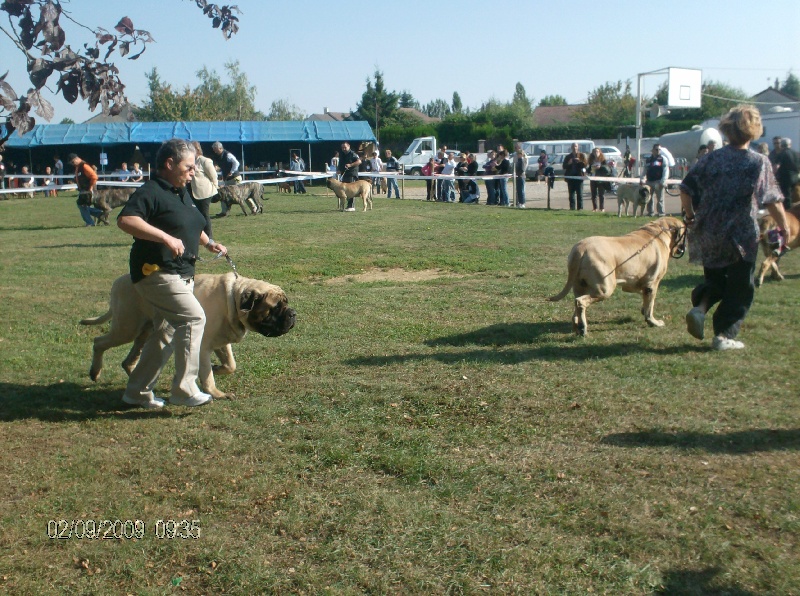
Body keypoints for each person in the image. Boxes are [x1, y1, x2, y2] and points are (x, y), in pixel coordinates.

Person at [117, 138, 228, 408]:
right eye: (189, 167)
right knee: (193, 318)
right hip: (156, 272)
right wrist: (165, 238)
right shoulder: (151, 191)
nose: (193, 172)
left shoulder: (181, 191)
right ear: (169, 163)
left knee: (165, 333)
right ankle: (184, 388)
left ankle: (136, 392)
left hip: (182, 273)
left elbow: (190, 222)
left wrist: (207, 242)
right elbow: (125, 220)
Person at [680, 105, 789, 351]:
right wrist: (784, 226)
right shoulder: (757, 161)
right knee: (741, 287)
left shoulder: (710, 158)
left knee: (716, 279)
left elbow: (685, 189)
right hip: (740, 235)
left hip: (709, 231)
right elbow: (771, 199)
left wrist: (690, 216)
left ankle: (700, 309)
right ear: (754, 131)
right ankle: (724, 335)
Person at [189, 141, 218, 240]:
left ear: (196, 150)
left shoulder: (205, 161)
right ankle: (199, 235)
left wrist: (214, 187)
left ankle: (209, 237)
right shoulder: (190, 161)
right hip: (192, 192)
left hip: (205, 192)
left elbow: (214, 176)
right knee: (195, 214)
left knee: (204, 214)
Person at [68, 152, 104, 226]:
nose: (72, 164)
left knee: (81, 205)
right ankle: (100, 213)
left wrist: (90, 187)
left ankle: (90, 222)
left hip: (87, 190)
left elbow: (94, 177)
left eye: (72, 162)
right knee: (82, 205)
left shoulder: (84, 166)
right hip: (83, 190)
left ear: (76, 159)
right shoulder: (78, 167)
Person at [211, 141, 241, 217]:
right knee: (223, 196)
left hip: (235, 177)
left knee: (242, 194)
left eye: (215, 149)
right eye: (214, 149)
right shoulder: (218, 156)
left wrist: (231, 171)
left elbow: (236, 163)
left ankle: (254, 208)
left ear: (220, 148)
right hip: (227, 179)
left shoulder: (228, 155)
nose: (214, 151)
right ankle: (224, 212)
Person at [644, 143, 669, 216]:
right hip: (649, 181)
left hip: (658, 181)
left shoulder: (663, 159)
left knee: (660, 199)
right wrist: (642, 179)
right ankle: (650, 212)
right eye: (656, 149)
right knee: (649, 198)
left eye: (659, 149)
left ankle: (661, 213)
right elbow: (645, 170)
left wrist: (663, 181)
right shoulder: (648, 160)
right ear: (652, 150)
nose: (658, 151)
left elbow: (666, 170)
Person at [774, 138, 800, 209]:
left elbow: (776, 166)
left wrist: (772, 175)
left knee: (786, 197)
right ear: (790, 145)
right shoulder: (797, 153)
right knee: (795, 196)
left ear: (781, 145)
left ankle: (788, 212)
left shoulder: (782, 153)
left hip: (786, 178)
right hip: (796, 177)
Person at [336, 141, 361, 211]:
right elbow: (340, 164)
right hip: (344, 174)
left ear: (349, 146)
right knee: (345, 191)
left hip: (352, 174)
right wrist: (339, 170)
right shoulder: (342, 154)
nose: (344, 149)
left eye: (345, 147)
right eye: (342, 147)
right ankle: (346, 206)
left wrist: (350, 165)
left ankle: (351, 206)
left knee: (351, 191)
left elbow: (359, 162)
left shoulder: (353, 154)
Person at [563, 143, 587, 210]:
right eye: (573, 146)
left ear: (578, 147)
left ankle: (580, 208)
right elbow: (564, 166)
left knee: (580, 194)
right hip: (570, 177)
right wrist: (569, 163)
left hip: (579, 177)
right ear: (571, 147)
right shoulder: (568, 157)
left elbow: (585, 165)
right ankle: (572, 208)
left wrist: (580, 161)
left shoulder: (582, 155)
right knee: (571, 195)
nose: (574, 148)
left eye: (576, 146)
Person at [587, 147, 607, 212]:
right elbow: (589, 170)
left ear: (600, 152)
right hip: (593, 178)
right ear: (592, 153)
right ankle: (595, 208)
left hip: (601, 179)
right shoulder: (591, 161)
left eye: (597, 151)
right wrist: (588, 170)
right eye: (595, 152)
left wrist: (600, 167)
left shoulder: (603, 160)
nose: (596, 153)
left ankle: (602, 208)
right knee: (593, 194)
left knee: (601, 194)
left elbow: (606, 169)